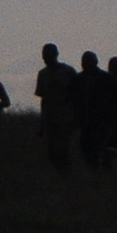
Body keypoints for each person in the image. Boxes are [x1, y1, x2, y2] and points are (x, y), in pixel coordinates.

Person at [74, 46, 117, 170]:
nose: (85, 64)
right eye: (84, 61)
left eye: (88, 61)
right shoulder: (79, 78)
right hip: (86, 120)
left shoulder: (106, 77)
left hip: (102, 120)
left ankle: (100, 168)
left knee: (97, 148)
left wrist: (112, 111)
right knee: (85, 148)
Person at [34, 43, 77, 174]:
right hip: (50, 118)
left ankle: (67, 175)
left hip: (65, 117)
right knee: (52, 152)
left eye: (49, 55)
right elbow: (43, 99)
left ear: (56, 54)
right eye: (44, 55)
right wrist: (42, 123)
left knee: (64, 150)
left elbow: (77, 95)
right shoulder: (42, 74)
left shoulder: (68, 71)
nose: (46, 58)